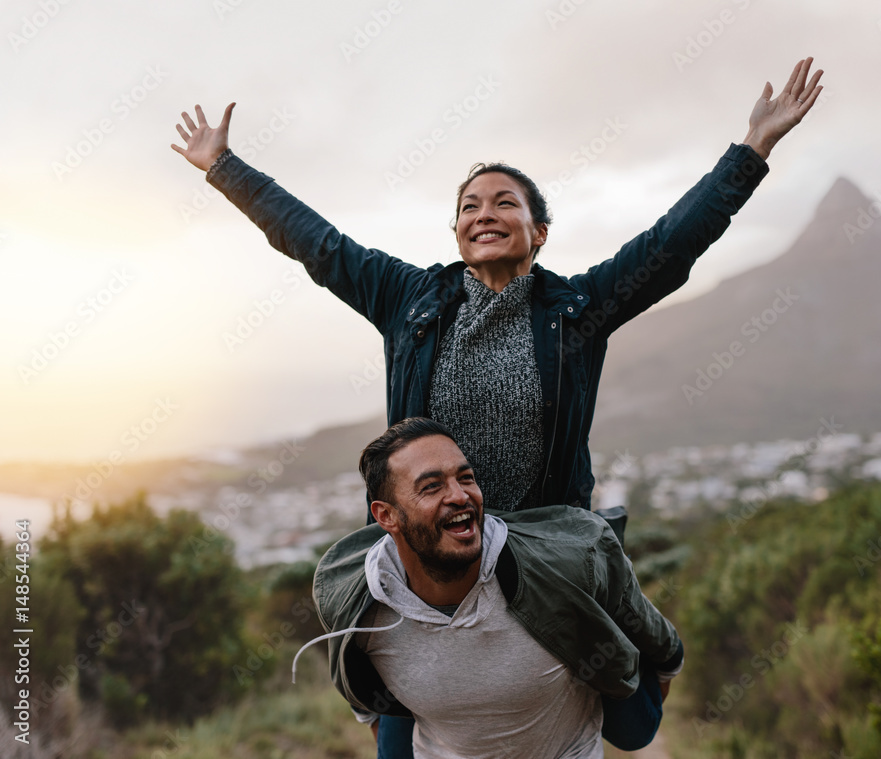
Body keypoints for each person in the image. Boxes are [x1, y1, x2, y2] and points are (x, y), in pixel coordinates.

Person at [172, 57, 823, 754]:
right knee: (399, 735)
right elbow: (317, 243)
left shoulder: (576, 309)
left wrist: (751, 150)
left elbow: (669, 247)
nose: (485, 213)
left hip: (540, 551)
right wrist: (224, 167)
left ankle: (641, 668)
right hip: (431, 554)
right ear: (456, 232)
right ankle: (383, 697)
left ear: (538, 231)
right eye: (470, 206)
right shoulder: (409, 299)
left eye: (505, 202)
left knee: (636, 725)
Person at [295, 417, 684, 758]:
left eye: (465, 478)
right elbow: (357, 688)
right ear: (386, 515)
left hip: (569, 744)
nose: (460, 495)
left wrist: (666, 662)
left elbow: (645, 625)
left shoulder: (565, 565)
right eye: (431, 487)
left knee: (638, 732)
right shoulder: (358, 597)